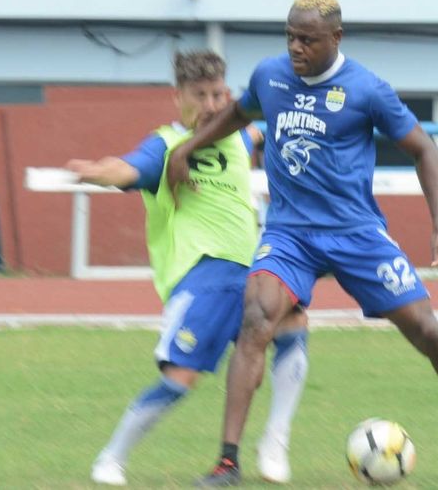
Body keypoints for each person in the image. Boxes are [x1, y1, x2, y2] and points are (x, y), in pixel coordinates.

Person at [167, 0, 438, 487]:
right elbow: (238, 114)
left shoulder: (367, 89)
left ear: (335, 39)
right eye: (290, 37)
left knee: (428, 333)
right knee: (257, 316)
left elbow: (424, 150)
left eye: (307, 39)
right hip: (290, 234)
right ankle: (227, 461)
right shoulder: (270, 76)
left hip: (357, 235)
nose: (296, 47)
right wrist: (188, 147)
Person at [66, 50, 310, 486]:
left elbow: (274, 128)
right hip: (203, 276)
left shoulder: (240, 137)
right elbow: (125, 168)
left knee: (295, 324)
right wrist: (95, 172)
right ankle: (112, 457)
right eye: (199, 95)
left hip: (254, 267)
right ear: (177, 97)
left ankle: (275, 437)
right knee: (180, 379)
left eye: (218, 93)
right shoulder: (165, 144)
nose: (212, 104)